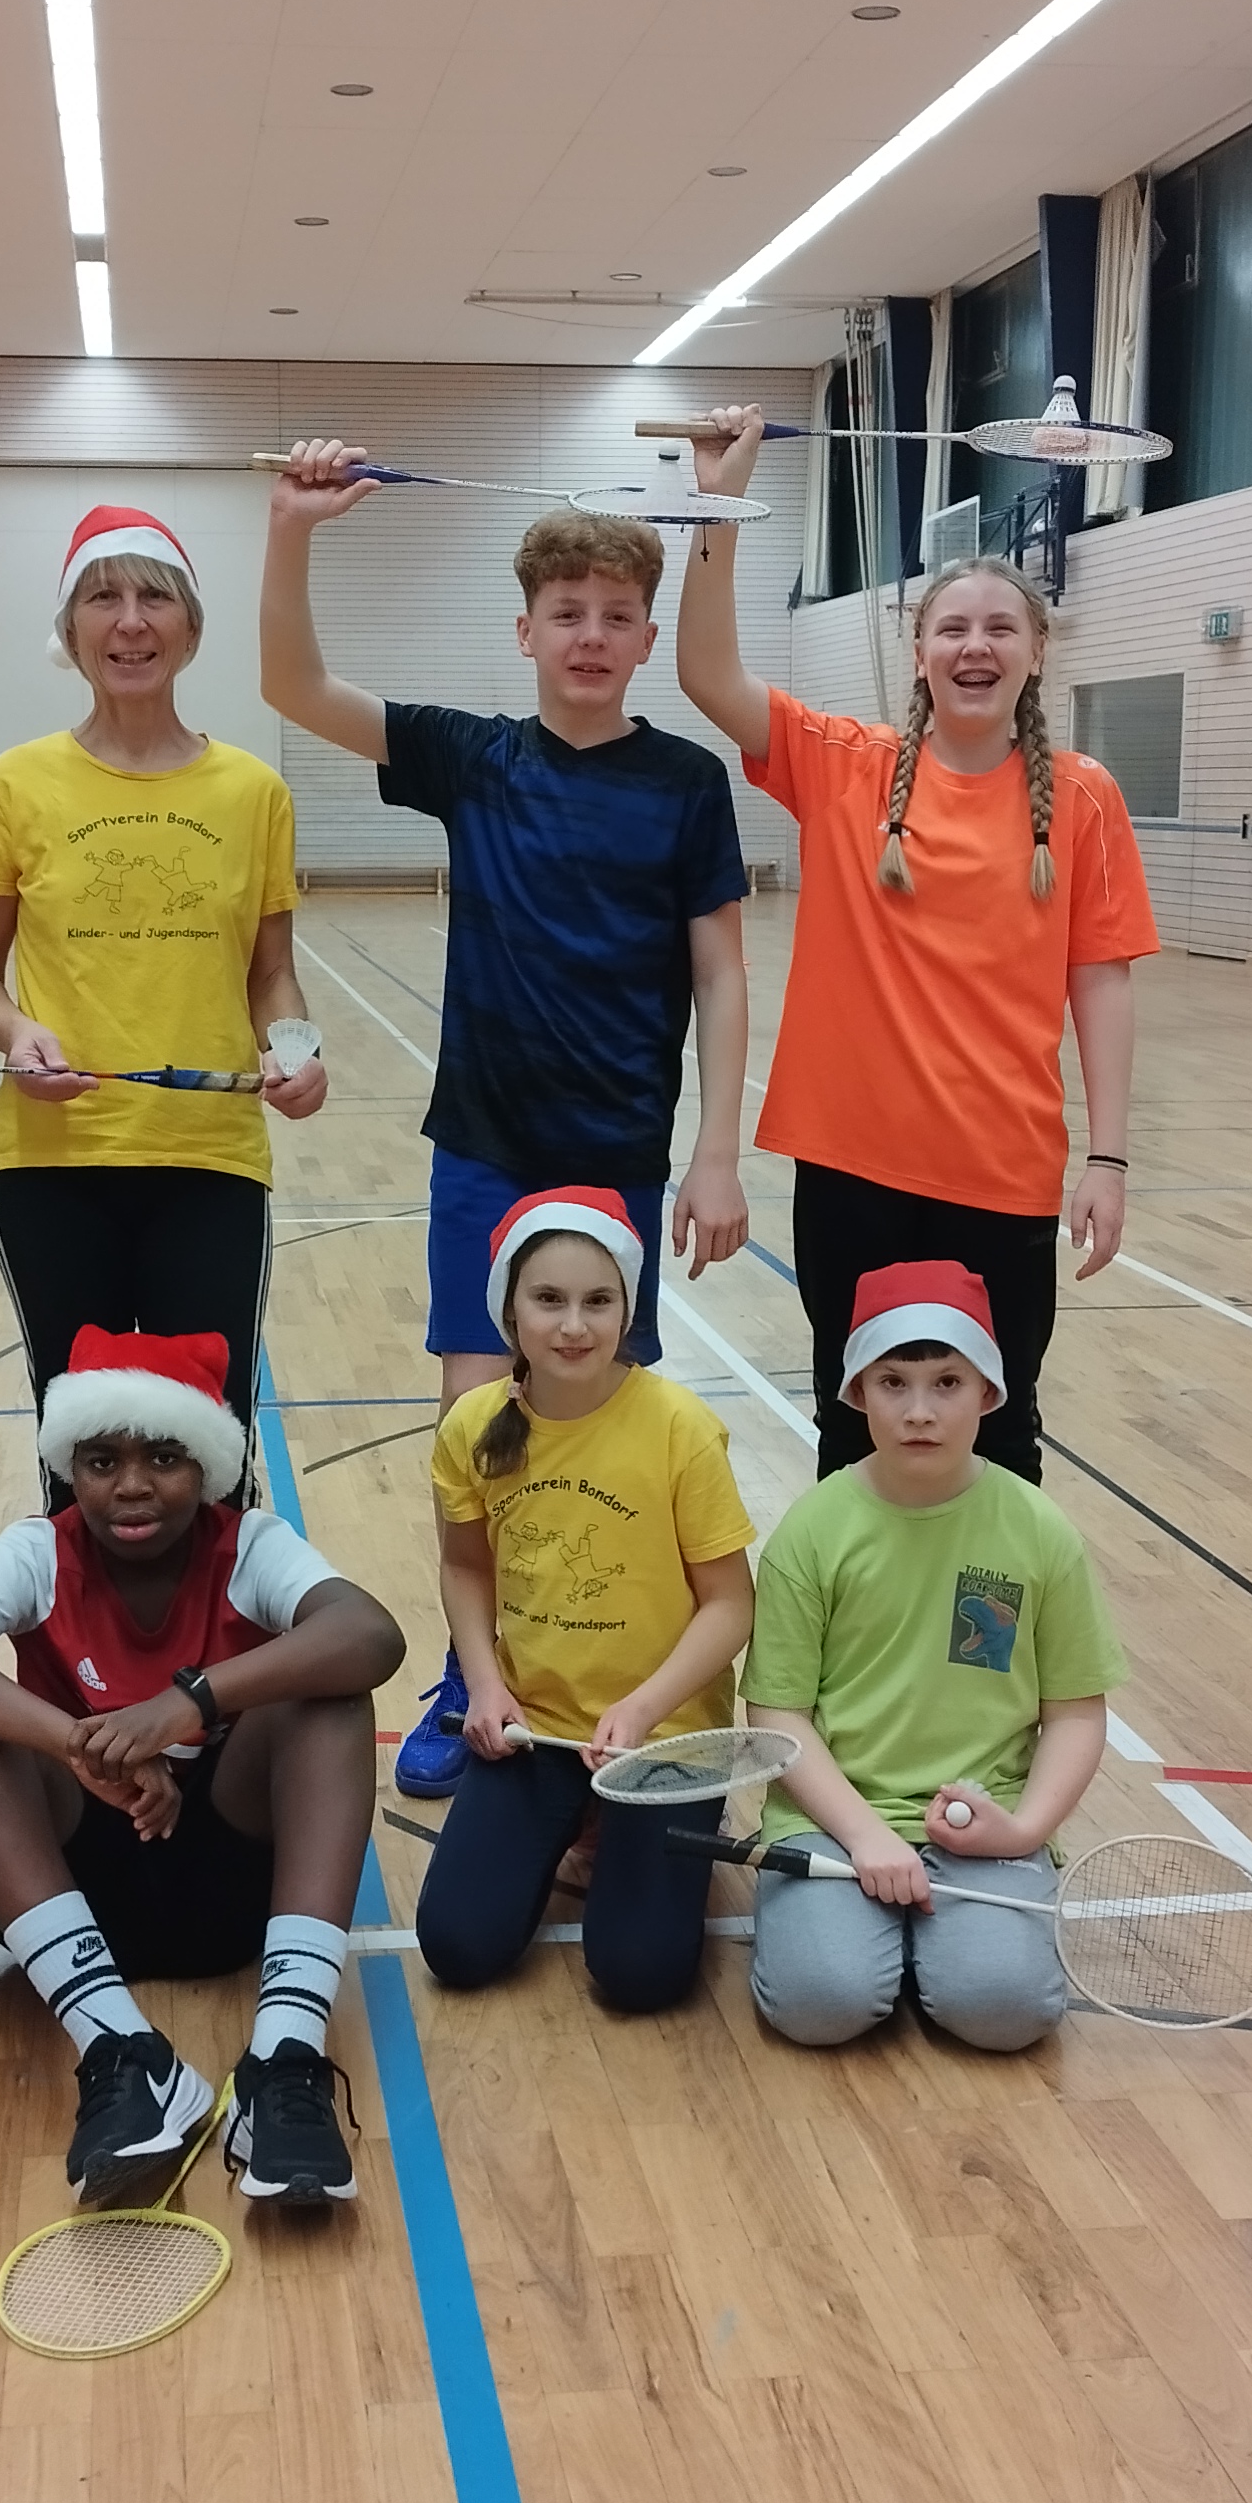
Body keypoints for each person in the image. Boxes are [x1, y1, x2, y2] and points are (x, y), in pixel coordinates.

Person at [260, 447, 752, 1791]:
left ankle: (604, 1686)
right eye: (566, 612)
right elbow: (295, 687)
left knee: (603, 1442)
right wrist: (294, 529)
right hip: (485, 1147)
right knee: (481, 1434)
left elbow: (720, 973)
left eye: (616, 615)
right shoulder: (471, 758)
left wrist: (716, 1153)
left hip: (616, 1156)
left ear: (645, 637)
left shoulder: (686, 783)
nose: (591, 635)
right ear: (524, 630)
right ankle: (468, 1678)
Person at [671, 410, 1156, 1482]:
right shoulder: (844, 764)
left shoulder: (1084, 799)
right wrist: (717, 501)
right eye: (953, 629)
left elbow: (1102, 983)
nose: (975, 647)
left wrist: (1110, 1159)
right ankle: (852, 1602)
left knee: (1001, 1435)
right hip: (853, 1171)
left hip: (1004, 1173)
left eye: (1000, 629)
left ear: (1036, 652)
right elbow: (705, 672)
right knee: (854, 1429)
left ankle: (987, 1605)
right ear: (921, 651)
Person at [0, 1326, 401, 2207]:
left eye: (163, 1457)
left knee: (330, 1691)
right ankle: (122, 2048)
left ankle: (284, 2055)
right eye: (101, 1460)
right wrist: (81, 1747)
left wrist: (188, 1703)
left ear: (207, 1463)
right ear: (69, 1468)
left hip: (231, 1891)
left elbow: (372, 1635)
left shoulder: (251, 1544)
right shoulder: (39, 1550)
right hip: (78, 1893)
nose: (130, 1485)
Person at [0, 508, 328, 1443]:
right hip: (52, 1164)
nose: (129, 622)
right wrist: (16, 1033)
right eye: (102, 599)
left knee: (209, 1440)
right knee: (80, 1444)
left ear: (190, 627)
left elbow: (272, 974)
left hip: (209, 1161)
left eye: (154, 597)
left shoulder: (254, 792)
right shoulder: (12, 784)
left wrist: (295, 1049)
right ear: (70, 629)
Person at [742, 1264, 1116, 2052]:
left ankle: (939, 1941)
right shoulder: (811, 1534)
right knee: (820, 2004)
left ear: (988, 1393)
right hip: (833, 1819)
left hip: (985, 1820)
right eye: (893, 1383)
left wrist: (1022, 1831)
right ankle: (873, 1936)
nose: (919, 1411)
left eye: (947, 1382)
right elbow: (778, 1713)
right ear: (856, 1393)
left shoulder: (1040, 1532)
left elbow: (1076, 1713)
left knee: (1005, 2013)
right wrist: (866, 1836)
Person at [409, 1193, 754, 2011]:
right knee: (457, 1944)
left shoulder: (680, 1428)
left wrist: (641, 1709)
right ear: (509, 1310)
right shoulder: (472, 1425)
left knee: (638, 1972)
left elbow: (730, 1606)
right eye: (548, 1299)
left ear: (628, 1309)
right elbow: (465, 1567)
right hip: (538, 1729)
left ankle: (624, 1833)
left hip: (664, 1733)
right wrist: (485, 1686)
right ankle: (577, 1822)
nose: (573, 1326)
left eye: (598, 1301)